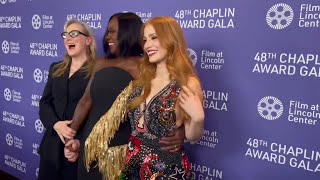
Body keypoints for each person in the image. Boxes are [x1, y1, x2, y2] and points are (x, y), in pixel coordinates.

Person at [63, 13, 185, 180]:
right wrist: (72, 135)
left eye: (113, 31)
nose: (107, 36)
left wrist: (181, 131)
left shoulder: (146, 67)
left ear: (129, 32)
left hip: (124, 150)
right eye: (108, 31)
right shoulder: (99, 63)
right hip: (90, 148)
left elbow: (164, 103)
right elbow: (85, 101)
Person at [86, 16, 205, 179]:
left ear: (170, 38)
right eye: (145, 40)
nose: (147, 45)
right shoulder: (143, 78)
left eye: (154, 38)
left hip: (165, 170)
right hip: (132, 166)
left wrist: (197, 118)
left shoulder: (187, 83)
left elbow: (192, 136)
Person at [38, 19, 96, 180]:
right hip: (50, 149)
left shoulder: (97, 72)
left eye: (74, 34)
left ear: (88, 40)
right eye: (65, 35)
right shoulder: (55, 68)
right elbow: (44, 103)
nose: (67, 38)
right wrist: (56, 125)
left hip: (76, 153)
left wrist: (78, 142)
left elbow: (97, 114)